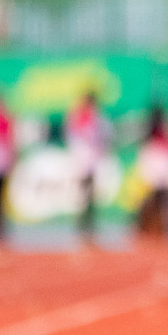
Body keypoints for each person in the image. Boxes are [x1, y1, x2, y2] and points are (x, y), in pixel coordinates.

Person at [66, 92, 112, 239]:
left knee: (88, 196)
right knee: (85, 196)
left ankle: (87, 229)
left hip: (88, 162)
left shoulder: (88, 117)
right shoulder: (83, 117)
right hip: (84, 161)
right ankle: (84, 229)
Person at [136, 104, 168, 237]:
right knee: (163, 204)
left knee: (163, 204)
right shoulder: (158, 134)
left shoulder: (160, 134)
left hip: (161, 173)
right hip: (159, 172)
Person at [0, 93, 12, 240]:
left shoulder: (5, 120)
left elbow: (10, 142)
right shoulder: (6, 120)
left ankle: (1, 231)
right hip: (2, 163)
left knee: (1, 199)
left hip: (2, 164)